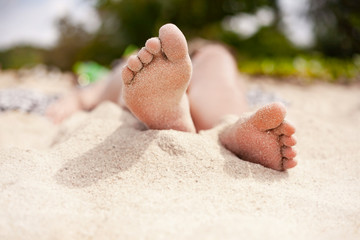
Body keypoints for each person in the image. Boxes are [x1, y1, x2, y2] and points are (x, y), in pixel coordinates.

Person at [47, 23, 297, 171]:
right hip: (194, 54)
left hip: (178, 59)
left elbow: (92, 91)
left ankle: (210, 122)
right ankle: (228, 124)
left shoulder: (144, 54)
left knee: (135, 67)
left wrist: (79, 97)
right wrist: (78, 98)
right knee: (216, 60)